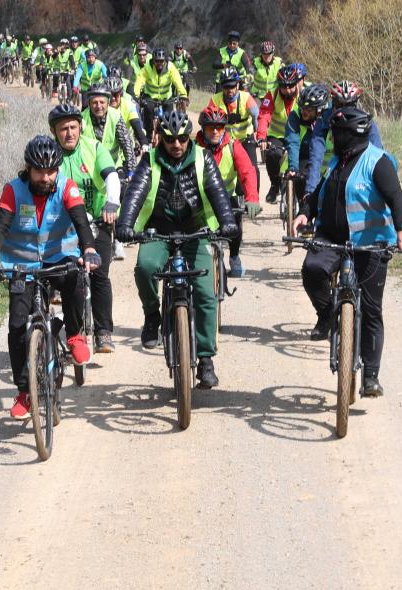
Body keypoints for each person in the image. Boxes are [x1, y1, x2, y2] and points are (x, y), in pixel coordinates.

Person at [291, 107, 402, 398]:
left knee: (372, 310)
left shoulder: (378, 162)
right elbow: (320, 191)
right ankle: (327, 315)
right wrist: (304, 213)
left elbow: (396, 197)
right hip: (332, 238)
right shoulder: (337, 162)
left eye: (338, 133)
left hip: (369, 245)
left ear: (352, 134)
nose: (334, 138)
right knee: (312, 270)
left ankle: (371, 376)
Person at [0, 135, 101, 419]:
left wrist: (90, 250)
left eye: (50, 171)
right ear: (28, 168)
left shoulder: (67, 188)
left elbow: (81, 221)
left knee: (76, 278)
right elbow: (1, 227)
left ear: (58, 169)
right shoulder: (13, 191)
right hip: (23, 265)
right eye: (39, 171)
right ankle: (25, 391)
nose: (45, 177)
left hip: (61, 256)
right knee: (18, 326)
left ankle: (75, 336)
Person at [116, 111, 241, 389]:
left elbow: (217, 192)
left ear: (189, 138)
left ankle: (206, 359)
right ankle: (152, 316)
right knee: (146, 267)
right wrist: (125, 224)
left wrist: (228, 222)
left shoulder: (202, 158)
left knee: (206, 294)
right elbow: (135, 193)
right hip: (157, 231)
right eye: (171, 139)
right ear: (161, 137)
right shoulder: (149, 161)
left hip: (194, 232)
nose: (176, 145)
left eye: (182, 139)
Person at [49, 103, 121, 355]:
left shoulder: (94, 147)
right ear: (54, 132)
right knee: (69, 276)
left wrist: (111, 202)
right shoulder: (50, 155)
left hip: (98, 220)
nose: (69, 133)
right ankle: (71, 332)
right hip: (64, 226)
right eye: (63, 129)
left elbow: (111, 175)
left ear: (80, 127)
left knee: (98, 273)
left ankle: (103, 332)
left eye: (73, 127)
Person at [196, 105, 262, 278]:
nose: (216, 132)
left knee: (236, 224)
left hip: (227, 197)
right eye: (211, 128)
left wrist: (252, 198)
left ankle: (234, 256)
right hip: (201, 198)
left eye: (220, 127)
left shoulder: (233, 146)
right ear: (203, 129)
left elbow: (248, 172)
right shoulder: (194, 148)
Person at [302, 80, 385, 197]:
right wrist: (310, 190)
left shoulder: (366, 121)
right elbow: (316, 155)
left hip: (356, 177)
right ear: (333, 104)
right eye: (339, 106)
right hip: (327, 175)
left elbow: (378, 155)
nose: (345, 110)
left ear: (356, 104)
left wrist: (380, 186)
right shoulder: (323, 121)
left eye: (350, 106)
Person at [255, 63, 305, 204]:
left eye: (290, 86)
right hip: (278, 136)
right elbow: (264, 116)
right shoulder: (272, 94)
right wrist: (261, 137)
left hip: (299, 136)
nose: (287, 90)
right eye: (283, 86)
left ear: (297, 83)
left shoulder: (305, 94)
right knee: (272, 154)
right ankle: (274, 185)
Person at [282, 83, 332, 218]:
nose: (304, 111)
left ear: (320, 109)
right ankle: (305, 211)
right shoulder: (295, 116)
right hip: (303, 154)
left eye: (309, 109)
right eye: (302, 107)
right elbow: (292, 143)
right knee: (299, 176)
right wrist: (293, 167)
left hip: (330, 158)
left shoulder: (330, 117)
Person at [208, 67, 261, 174]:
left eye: (232, 86)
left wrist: (257, 133)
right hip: (225, 141)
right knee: (224, 171)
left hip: (246, 139)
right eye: (226, 87)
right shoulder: (215, 100)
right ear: (222, 87)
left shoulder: (246, 97)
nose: (230, 90)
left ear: (237, 85)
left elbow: (256, 116)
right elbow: (208, 121)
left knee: (253, 170)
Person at [133, 48, 188, 140]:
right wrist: (136, 96)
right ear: (153, 60)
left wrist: (183, 95)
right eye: (156, 61)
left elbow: (178, 82)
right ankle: (147, 137)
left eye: (161, 61)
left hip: (167, 98)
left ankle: (168, 138)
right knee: (148, 112)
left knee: (169, 121)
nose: (159, 63)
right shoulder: (147, 67)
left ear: (165, 60)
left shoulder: (171, 67)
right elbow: (139, 81)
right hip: (150, 97)